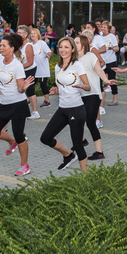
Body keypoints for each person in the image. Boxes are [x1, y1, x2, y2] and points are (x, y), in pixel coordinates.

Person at [41, 37, 91, 172]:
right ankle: (68, 156)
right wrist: (56, 91)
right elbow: (64, 87)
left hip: (76, 109)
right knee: (45, 138)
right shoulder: (58, 67)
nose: (63, 50)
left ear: (73, 49)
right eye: (61, 47)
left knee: (78, 144)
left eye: (66, 47)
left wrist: (82, 86)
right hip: (62, 109)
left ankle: (86, 179)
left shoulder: (77, 65)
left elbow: (88, 87)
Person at [0, 33, 33, 177]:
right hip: (4, 103)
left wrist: (24, 87)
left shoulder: (17, 66)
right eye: (0, 45)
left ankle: (24, 165)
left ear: (12, 48)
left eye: (3, 45)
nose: (0, 47)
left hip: (18, 104)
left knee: (20, 135)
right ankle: (11, 141)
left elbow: (20, 88)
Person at [76, 34, 109, 162]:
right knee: (78, 121)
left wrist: (106, 80)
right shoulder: (73, 59)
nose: (75, 44)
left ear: (83, 44)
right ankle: (82, 141)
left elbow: (99, 70)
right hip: (79, 94)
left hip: (92, 94)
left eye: (77, 42)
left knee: (90, 122)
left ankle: (99, 152)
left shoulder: (91, 56)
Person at [16, 25, 41, 119]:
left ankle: (35, 112)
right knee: (20, 89)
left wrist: (19, 67)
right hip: (22, 70)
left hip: (29, 69)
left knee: (30, 90)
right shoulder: (18, 45)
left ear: (26, 34)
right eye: (17, 32)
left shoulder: (28, 46)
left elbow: (30, 62)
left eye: (20, 33)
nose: (18, 34)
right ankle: (21, 110)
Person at [92, 22, 119, 109]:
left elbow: (117, 48)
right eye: (102, 27)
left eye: (104, 27)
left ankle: (115, 98)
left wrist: (112, 48)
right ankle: (101, 98)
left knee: (112, 79)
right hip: (101, 61)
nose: (102, 29)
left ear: (108, 29)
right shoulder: (98, 36)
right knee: (100, 80)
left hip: (111, 61)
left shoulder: (112, 36)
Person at [29, 28, 53, 108]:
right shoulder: (30, 45)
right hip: (33, 69)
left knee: (43, 85)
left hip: (42, 69)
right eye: (31, 33)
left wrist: (48, 55)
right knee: (30, 84)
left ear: (38, 35)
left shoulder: (41, 43)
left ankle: (47, 101)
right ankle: (30, 98)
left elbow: (49, 51)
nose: (32, 35)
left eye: (34, 33)